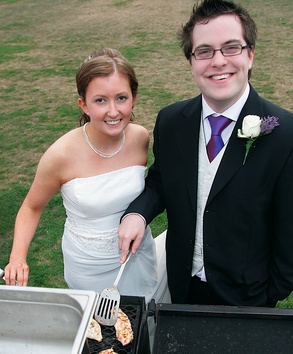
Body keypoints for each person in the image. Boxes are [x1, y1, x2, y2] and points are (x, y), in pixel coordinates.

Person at [118, 0, 293, 307]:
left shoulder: (284, 133)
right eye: (205, 51)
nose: (218, 61)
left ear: (250, 54)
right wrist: (137, 213)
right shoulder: (172, 121)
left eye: (231, 48)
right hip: (182, 287)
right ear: (191, 61)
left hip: (248, 298)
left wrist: (273, 292)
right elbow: (162, 180)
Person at [4, 48, 169, 305]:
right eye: (100, 100)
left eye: (121, 98)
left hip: (137, 255)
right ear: (84, 104)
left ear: (133, 98)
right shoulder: (61, 154)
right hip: (88, 266)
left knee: (143, 315)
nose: (113, 111)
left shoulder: (140, 138)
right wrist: (18, 257)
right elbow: (31, 207)